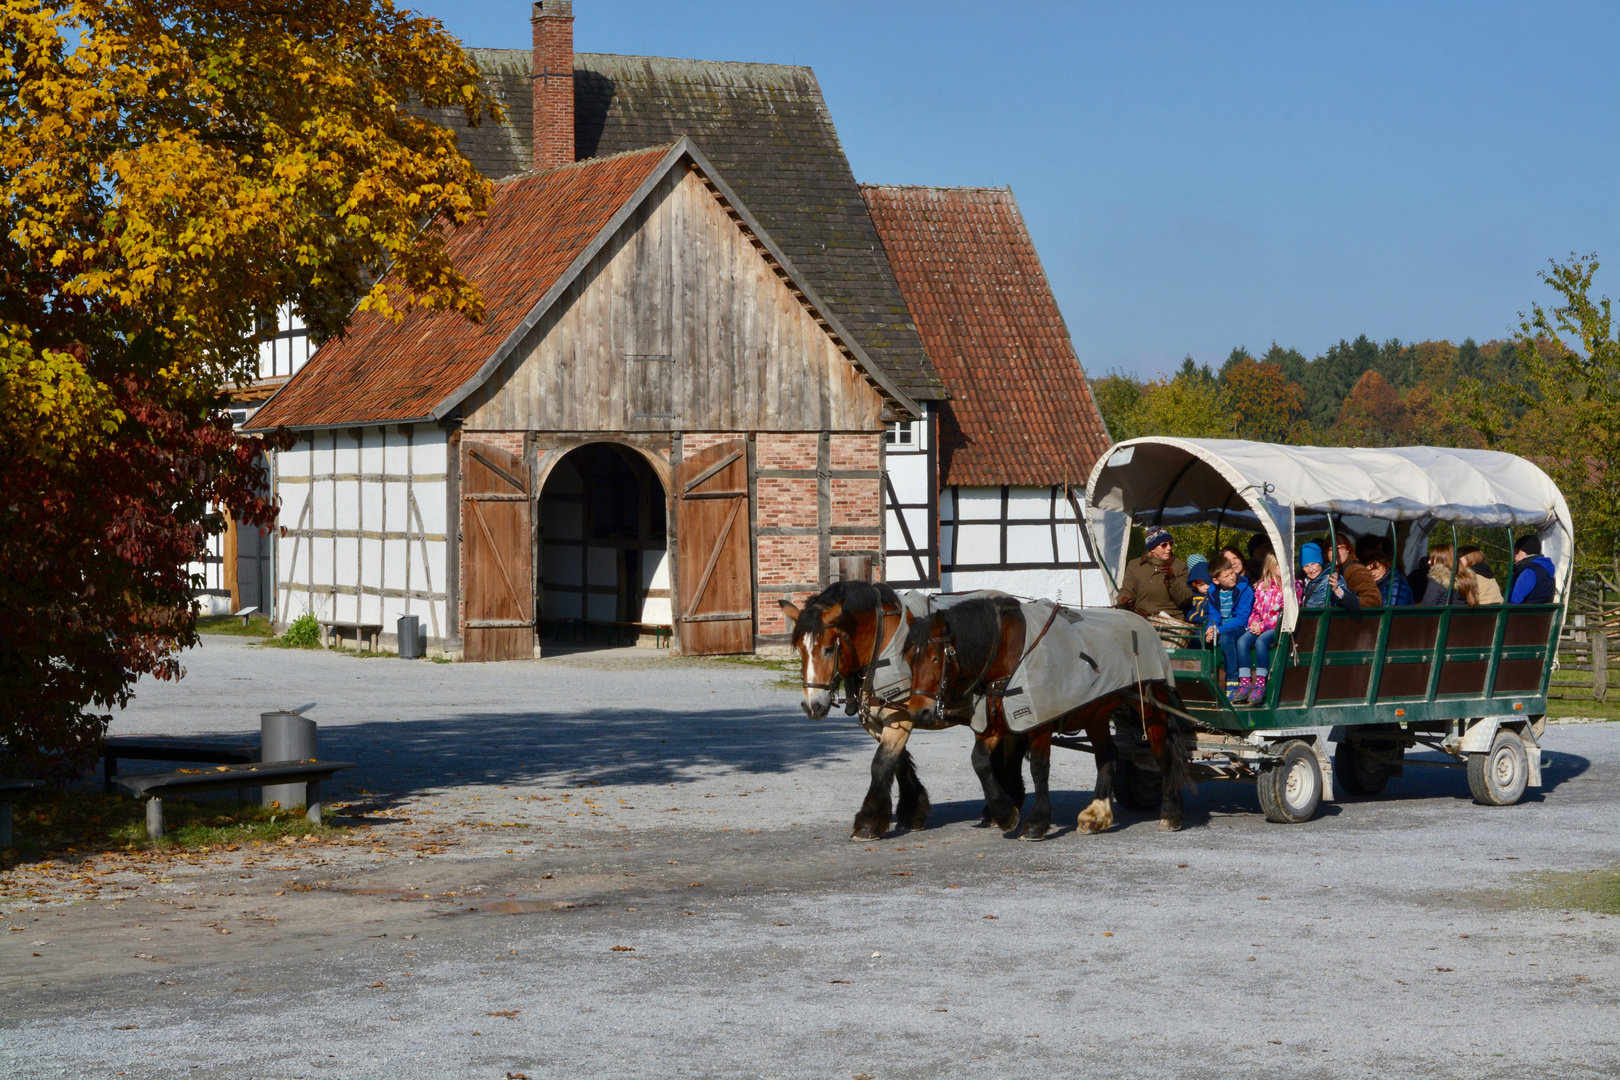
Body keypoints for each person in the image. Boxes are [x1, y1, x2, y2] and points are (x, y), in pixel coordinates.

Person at [1203, 554, 1255, 703]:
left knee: (1226, 638)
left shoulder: (1245, 590)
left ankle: (1232, 679)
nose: (1232, 577)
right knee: (1202, 637)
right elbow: (1214, 614)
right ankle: (1209, 681)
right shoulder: (1213, 592)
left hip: (1241, 627)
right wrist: (1211, 628)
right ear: (1216, 580)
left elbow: (1242, 618)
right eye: (1226, 576)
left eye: (1232, 572)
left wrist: (1219, 630)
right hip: (1223, 625)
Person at [1235, 553, 1285, 705]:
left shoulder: (1290, 586)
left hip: (1277, 627)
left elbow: (1284, 614)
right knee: (1242, 641)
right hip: (1261, 624)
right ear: (1271, 567)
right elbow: (1256, 609)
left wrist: (1262, 627)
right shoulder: (1263, 586)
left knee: (1261, 641)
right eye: (1281, 565)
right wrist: (1254, 623)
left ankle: (1260, 684)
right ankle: (1245, 683)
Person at [1115, 528, 1193, 617]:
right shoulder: (1134, 565)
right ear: (1152, 548)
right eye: (1164, 545)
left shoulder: (1180, 566)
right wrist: (1124, 600)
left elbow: (1185, 600)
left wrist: (1172, 580)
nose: (1169, 548)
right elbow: (1127, 590)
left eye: (1171, 543)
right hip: (1141, 618)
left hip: (1170, 621)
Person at [1329, 532, 1383, 609]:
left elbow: (1374, 600)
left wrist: (1346, 599)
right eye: (1331, 550)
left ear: (1348, 549)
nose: (1336, 553)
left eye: (1340, 548)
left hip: (1360, 619)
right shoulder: (1338, 569)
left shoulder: (1355, 569)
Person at [1508, 534, 1557, 604]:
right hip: (1541, 613)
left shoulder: (1529, 571)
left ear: (1528, 552)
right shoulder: (1547, 570)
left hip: (1524, 613)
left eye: (1517, 551)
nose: (1515, 554)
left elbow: (1515, 600)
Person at [1298, 542, 1332, 608]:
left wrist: (1339, 591)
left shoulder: (1331, 579)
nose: (1311, 569)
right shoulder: (1301, 584)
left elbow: (1351, 602)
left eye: (1313, 564)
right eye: (1306, 566)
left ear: (1320, 562)